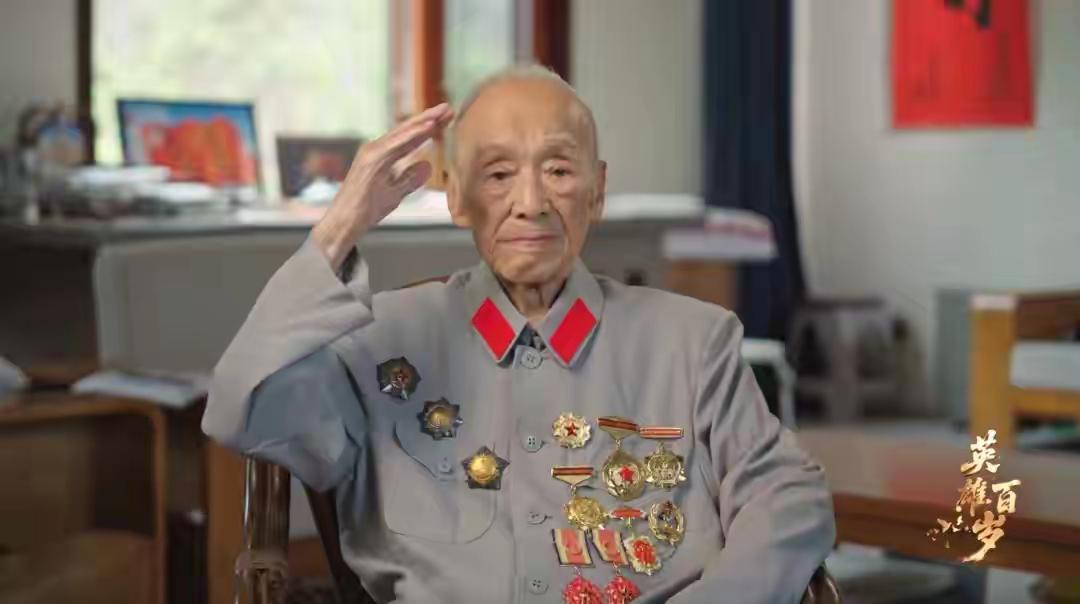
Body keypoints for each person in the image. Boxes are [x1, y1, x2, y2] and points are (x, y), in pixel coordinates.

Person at [203, 65, 835, 603]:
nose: (530, 202)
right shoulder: (377, 341)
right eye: (498, 174)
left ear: (597, 191)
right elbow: (243, 413)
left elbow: (788, 497)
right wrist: (339, 226)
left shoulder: (692, 342)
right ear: (457, 198)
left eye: (558, 170)